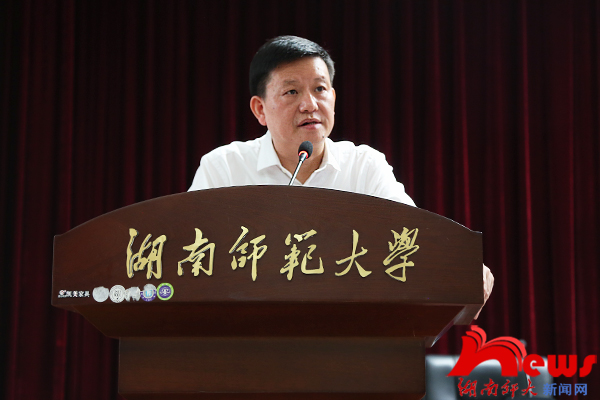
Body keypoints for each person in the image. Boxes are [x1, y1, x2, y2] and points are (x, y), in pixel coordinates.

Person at [188, 35, 493, 316]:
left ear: (332, 98)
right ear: (260, 109)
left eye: (320, 89)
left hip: (351, 335)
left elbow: (414, 237)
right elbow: (190, 262)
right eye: (292, 91)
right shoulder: (224, 168)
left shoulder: (364, 166)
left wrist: (458, 266)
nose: (310, 105)